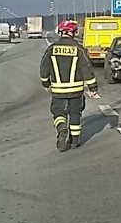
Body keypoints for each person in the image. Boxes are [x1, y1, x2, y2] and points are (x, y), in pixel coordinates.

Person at [40, 20, 99, 152]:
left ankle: (61, 129)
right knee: (75, 114)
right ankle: (75, 141)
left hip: (58, 90)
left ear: (60, 32)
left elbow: (44, 68)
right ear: (73, 33)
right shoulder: (78, 49)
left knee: (58, 113)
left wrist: (46, 83)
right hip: (76, 91)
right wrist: (93, 88)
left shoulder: (52, 49)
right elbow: (87, 69)